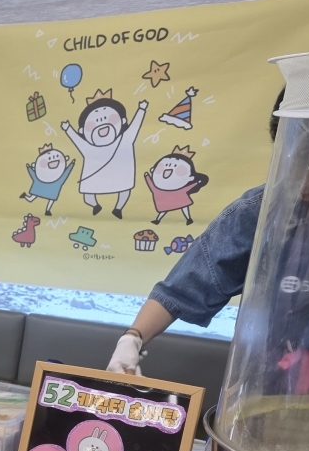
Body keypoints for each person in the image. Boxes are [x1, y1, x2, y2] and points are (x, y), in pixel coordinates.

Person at [108, 93, 282, 373]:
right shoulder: (260, 210)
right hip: (273, 369)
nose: (304, 180)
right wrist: (132, 338)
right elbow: (186, 284)